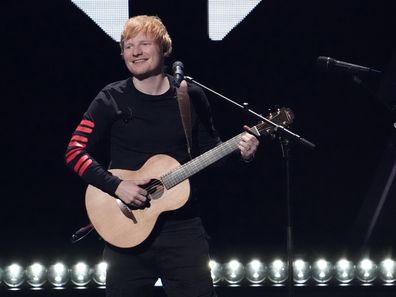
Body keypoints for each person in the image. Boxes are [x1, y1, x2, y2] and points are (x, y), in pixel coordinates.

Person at [65, 15, 259, 297]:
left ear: (165, 49)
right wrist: (117, 186)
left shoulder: (189, 95)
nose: (136, 52)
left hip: (183, 231)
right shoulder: (111, 98)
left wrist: (244, 154)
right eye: (128, 46)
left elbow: (213, 154)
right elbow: (74, 151)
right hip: (124, 230)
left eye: (145, 43)